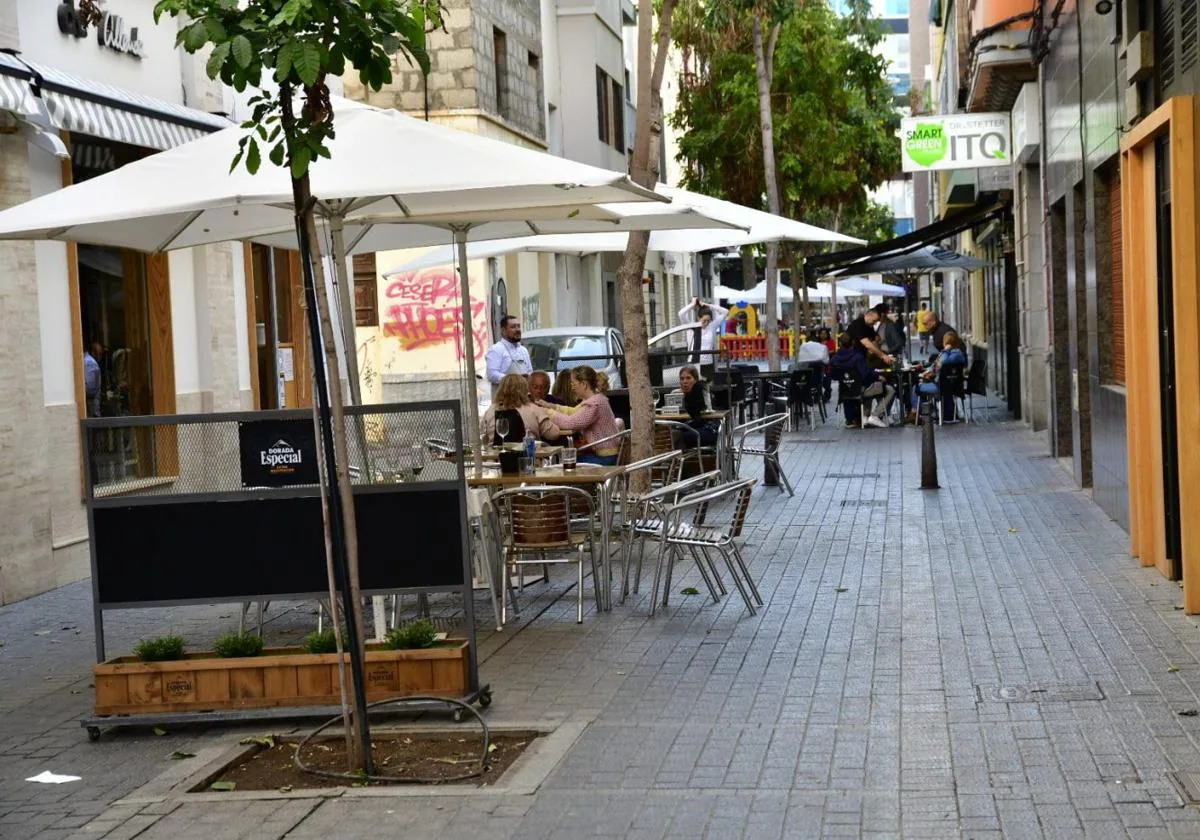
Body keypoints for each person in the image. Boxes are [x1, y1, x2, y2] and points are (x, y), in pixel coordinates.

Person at [541, 365, 621, 465]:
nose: (572, 387)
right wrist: (551, 406)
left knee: (562, 463)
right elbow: (574, 411)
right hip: (607, 454)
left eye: (574, 384)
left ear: (583, 384)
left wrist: (547, 412)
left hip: (606, 458)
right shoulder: (596, 399)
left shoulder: (594, 404)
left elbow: (571, 423)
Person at [830, 333, 895, 429]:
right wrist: (877, 376)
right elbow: (865, 375)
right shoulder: (858, 357)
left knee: (870, 386)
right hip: (860, 390)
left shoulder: (835, 358)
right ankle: (875, 415)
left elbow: (833, 376)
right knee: (889, 389)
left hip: (844, 391)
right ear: (853, 343)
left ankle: (862, 416)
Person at [907, 330, 967, 424]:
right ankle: (928, 412)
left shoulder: (952, 354)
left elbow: (941, 364)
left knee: (916, 388)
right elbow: (937, 366)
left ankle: (916, 414)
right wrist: (928, 370)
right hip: (953, 386)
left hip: (944, 386)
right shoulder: (958, 354)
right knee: (923, 385)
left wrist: (945, 351)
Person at [483, 373, 562, 444]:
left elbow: (483, 435)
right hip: (528, 457)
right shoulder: (532, 409)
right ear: (524, 390)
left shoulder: (490, 410)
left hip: (496, 458)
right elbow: (554, 434)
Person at [674, 365, 719, 447]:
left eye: (688, 378)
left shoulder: (700, 392)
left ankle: (678, 458)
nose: (684, 381)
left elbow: (700, 419)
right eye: (682, 379)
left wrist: (682, 427)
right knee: (671, 433)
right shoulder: (689, 394)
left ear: (695, 380)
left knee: (676, 435)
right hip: (698, 429)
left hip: (709, 430)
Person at [484, 316, 532, 392]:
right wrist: (514, 380)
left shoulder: (523, 350)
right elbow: (491, 375)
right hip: (504, 400)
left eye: (518, 326)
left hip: (523, 399)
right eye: (513, 327)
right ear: (503, 330)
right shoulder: (496, 349)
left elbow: (530, 372)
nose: (517, 330)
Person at [678, 296, 729, 366]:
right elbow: (681, 314)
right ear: (699, 318)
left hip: (708, 363)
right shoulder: (691, 327)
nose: (707, 323)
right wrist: (693, 304)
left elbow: (725, 312)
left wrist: (708, 305)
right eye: (704, 320)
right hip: (693, 362)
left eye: (709, 320)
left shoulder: (712, 326)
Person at [83, 341, 103, 417]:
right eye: (99, 354)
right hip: (92, 409)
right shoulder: (90, 363)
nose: (100, 357)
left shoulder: (87, 361)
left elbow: (89, 389)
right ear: (93, 352)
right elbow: (90, 390)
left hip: (90, 410)